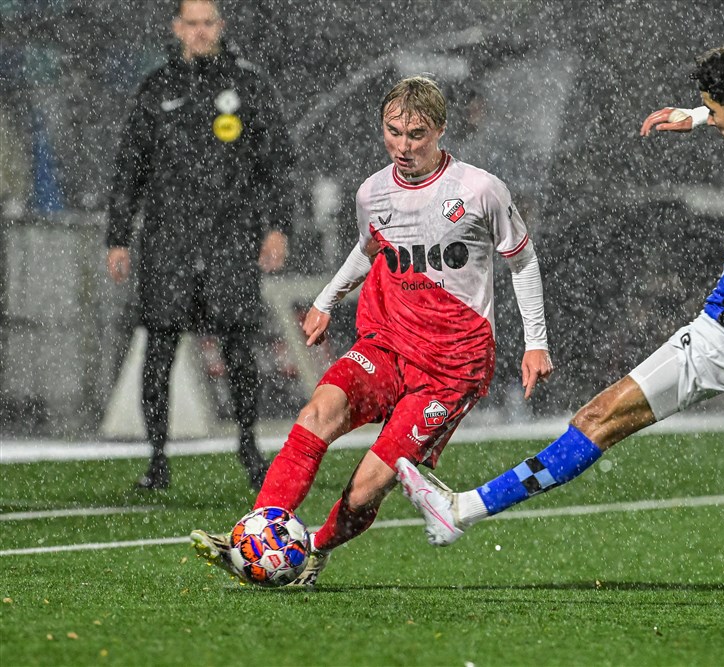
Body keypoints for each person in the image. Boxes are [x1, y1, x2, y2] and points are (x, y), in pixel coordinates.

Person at [396, 42, 724, 620]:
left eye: (718, 111)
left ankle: (459, 511)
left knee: (597, 421)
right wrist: (693, 115)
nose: (715, 123)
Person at [190, 76, 554, 586]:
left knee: (366, 488)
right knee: (317, 413)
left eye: (416, 135)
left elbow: (523, 260)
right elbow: (367, 249)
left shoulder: (479, 190)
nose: (403, 146)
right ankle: (255, 537)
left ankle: (313, 549)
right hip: (386, 343)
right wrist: (325, 301)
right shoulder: (373, 192)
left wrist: (536, 342)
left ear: (440, 131)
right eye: (393, 132)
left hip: (450, 368)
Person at [105, 0, 294, 490]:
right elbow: (130, 167)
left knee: (239, 346)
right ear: (177, 28)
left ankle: (249, 447)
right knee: (159, 346)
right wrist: (118, 237)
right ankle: (157, 460)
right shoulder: (157, 86)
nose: (200, 31)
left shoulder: (246, 84)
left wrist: (277, 227)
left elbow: (275, 163)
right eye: (192, 23)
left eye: (208, 22)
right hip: (168, 240)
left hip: (230, 237)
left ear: (220, 26)